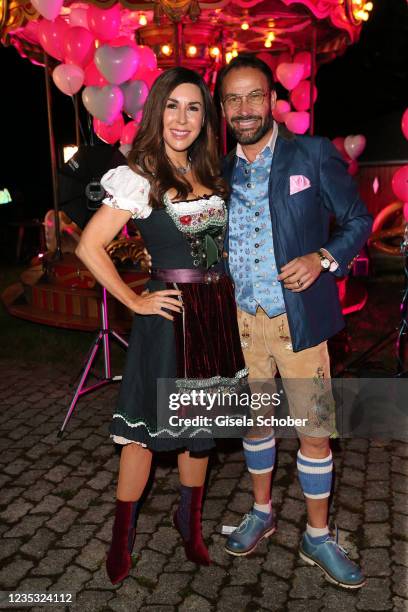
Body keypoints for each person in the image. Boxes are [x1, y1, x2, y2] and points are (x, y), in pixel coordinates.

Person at [76, 67, 247, 584]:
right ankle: (121, 537)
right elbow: (89, 246)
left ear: (205, 119)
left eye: (193, 107)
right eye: (172, 105)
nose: (182, 118)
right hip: (169, 319)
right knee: (143, 438)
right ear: (157, 112)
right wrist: (134, 299)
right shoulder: (142, 175)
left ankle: (189, 524)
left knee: (201, 434)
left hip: (215, 316)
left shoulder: (214, 173)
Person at [217, 55, 372, 589]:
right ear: (222, 108)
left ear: (273, 101)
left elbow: (358, 220)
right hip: (243, 328)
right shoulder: (219, 170)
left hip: (298, 326)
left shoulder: (311, 153)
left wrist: (323, 259)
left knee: (314, 431)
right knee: (257, 425)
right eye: (233, 99)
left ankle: (318, 535)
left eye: (254, 96)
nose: (244, 108)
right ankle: (261, 512)